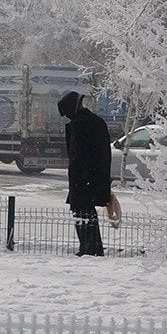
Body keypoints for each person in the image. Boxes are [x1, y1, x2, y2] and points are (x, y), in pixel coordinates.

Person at [57, 90, 111, 256]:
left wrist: (80, 177)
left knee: (82, 212)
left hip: (83, 180)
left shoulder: (80, 125)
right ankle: (92, 248)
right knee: (88, 214)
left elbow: (78, 156)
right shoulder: (96, 121)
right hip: (95, 176)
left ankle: (89, 249)